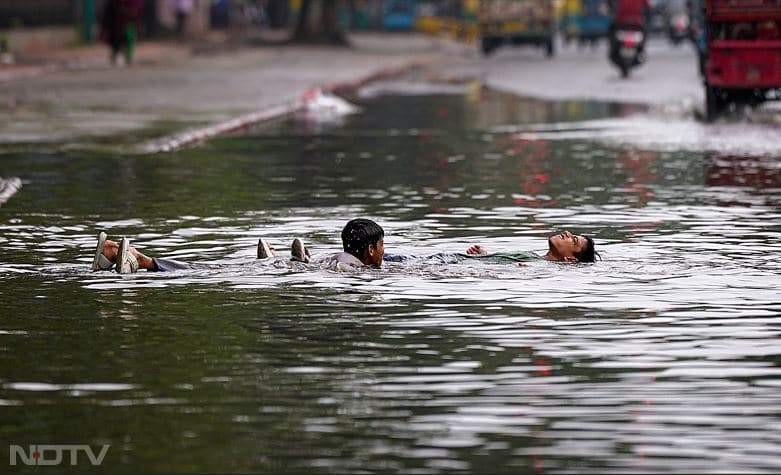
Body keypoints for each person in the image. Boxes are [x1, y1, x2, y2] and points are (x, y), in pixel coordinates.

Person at [99, 0, 143, 66]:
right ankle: (117, 55)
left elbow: (137, 11)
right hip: (117, 26)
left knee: (129, 41)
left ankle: (127, 58)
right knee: (117, 43)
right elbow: (108, 14)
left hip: (130, 24)